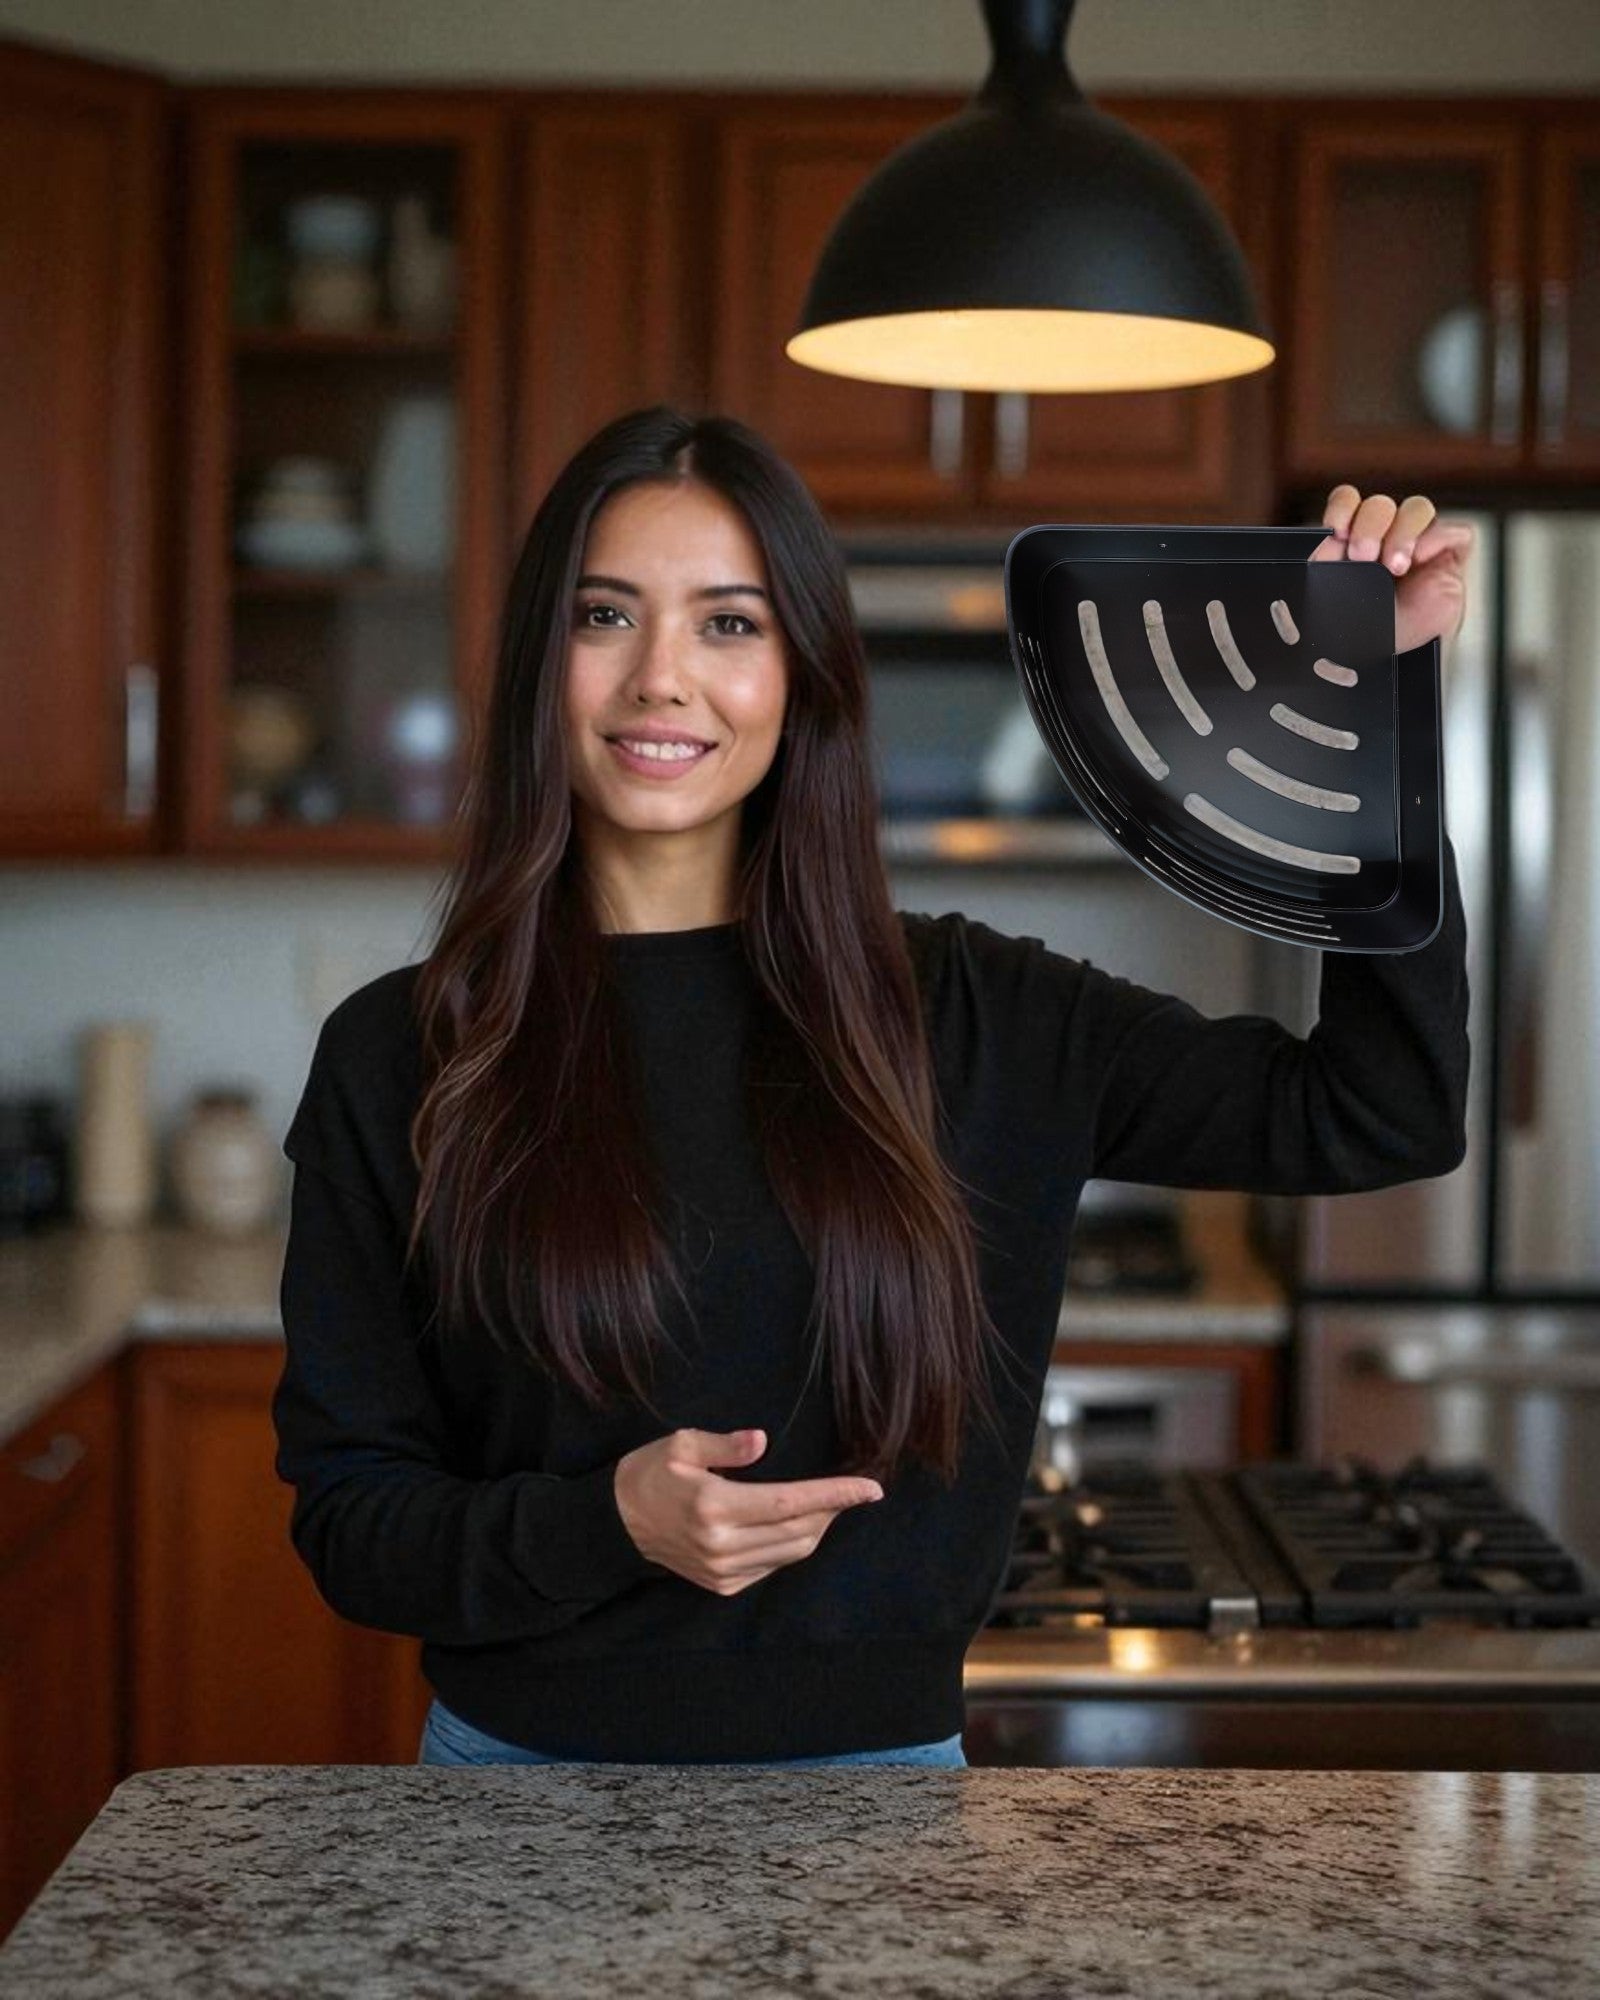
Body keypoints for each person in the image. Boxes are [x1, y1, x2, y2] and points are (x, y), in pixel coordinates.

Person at [272, 405, 1474, 1771]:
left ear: (803, 676)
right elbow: (352, 1523)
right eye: (606, 617)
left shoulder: (975, 1015)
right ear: (541, 661)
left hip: (888, 1805)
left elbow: (1382, 1109)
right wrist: (606, 1526)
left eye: (730, 624)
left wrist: (1385, 707)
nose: (662, 677)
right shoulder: (406, 1053)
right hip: (511, 1799)